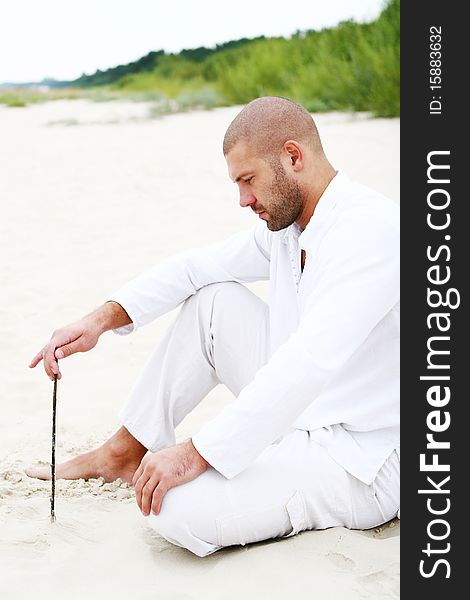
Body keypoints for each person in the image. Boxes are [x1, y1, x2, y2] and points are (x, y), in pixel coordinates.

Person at [27, 96, 400, 557]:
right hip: (303, 412)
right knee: (213, 301)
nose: (243, 199)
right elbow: (196, 267)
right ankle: (123, 453)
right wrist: (99, 320)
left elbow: (307, 364)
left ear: (293, 157)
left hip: (361, 458)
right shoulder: (289, 228)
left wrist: (196, 452)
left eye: (248, 180)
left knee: (172, 508)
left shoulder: (370, 231)